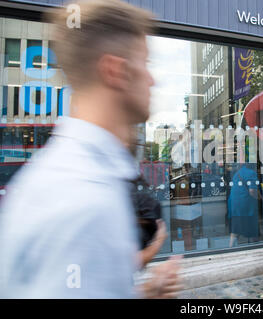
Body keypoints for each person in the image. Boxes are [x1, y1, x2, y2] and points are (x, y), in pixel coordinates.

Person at [0, 0, 182, 298]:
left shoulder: (67, 175)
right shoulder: (86, 202)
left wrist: (146, 293)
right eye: (145, 64)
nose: (152, 79)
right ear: (116, 72)